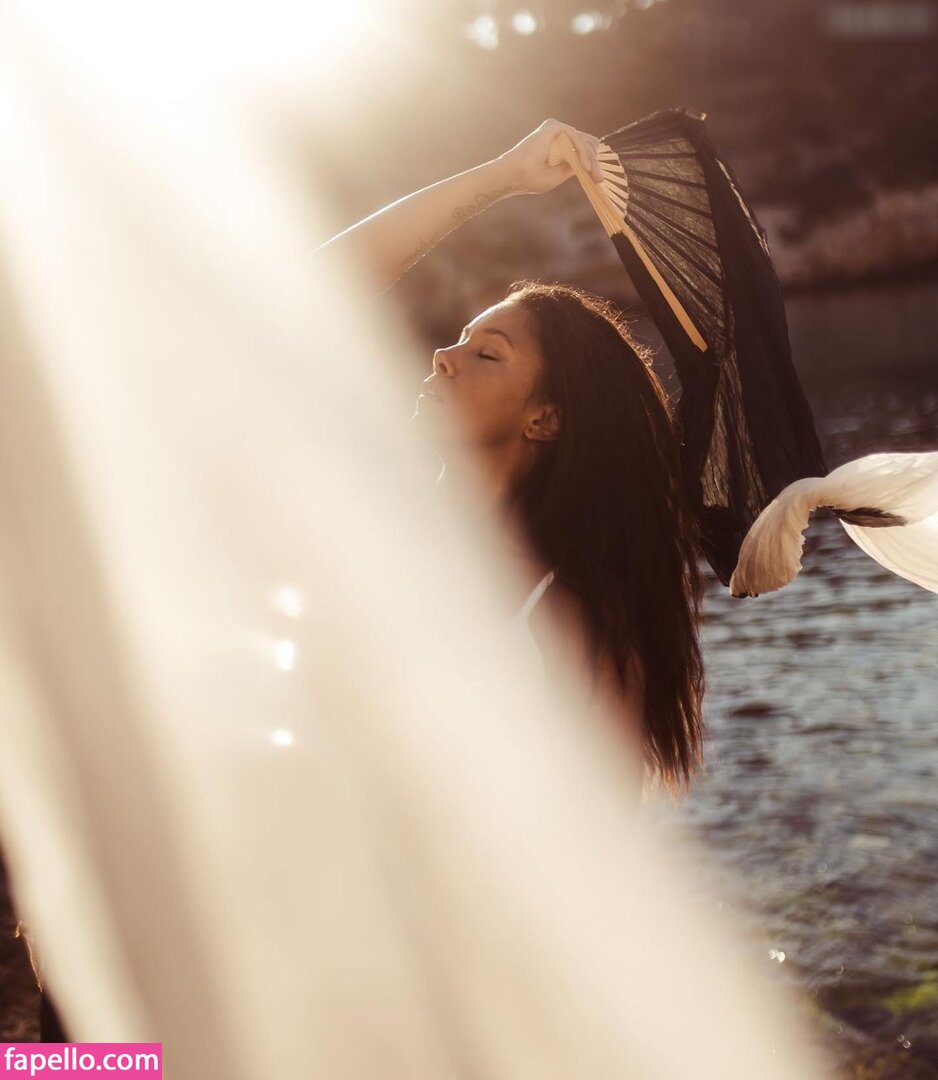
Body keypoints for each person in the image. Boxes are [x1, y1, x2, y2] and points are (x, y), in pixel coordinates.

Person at [321, 119, 706, 797]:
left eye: (487, 354)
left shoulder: (568, 625)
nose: (444, 356)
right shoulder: (380, 522)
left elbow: (595, 843)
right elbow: (305, 287)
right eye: (461, 338)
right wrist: (503, 176)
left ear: (545, 418)